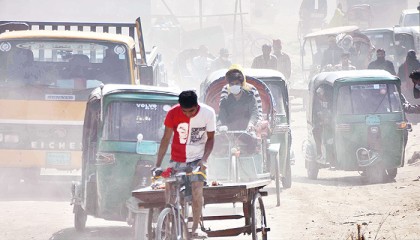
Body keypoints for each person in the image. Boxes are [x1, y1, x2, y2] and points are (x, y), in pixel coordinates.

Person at [153, 90, 216, 239]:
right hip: (177, 159)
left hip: (198, 159)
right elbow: (166, 139)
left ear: (197, 106)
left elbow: (211, 139)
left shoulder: (208, 113)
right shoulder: (172, 113)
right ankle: (169, 220)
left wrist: (204, 160)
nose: (188, 114)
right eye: (184, 111)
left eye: (191, 111)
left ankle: (195, 228)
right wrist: (157, 164)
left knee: (196, 189)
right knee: (169, 189)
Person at [312, 85, 333, 160]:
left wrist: (329, 119)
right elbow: (318, 113)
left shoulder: (329, 101)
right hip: (319, 124)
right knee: (316, 133)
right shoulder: (316, 103)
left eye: (321, 94)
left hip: (330, 123)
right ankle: (319, 153)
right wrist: (323, 120)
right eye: (319, 94)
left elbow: (331, 111)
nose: (320, 95)